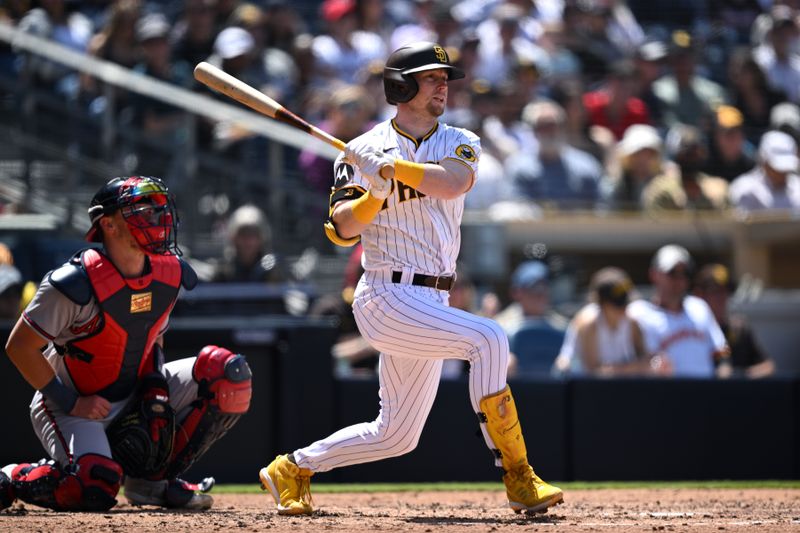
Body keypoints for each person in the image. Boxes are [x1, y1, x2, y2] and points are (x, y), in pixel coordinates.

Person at [259, 41, 563, 516]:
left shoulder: (461, 139)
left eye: (446, 78)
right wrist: (374, 193)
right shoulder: (362, 150)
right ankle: (519, 477)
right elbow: (343, 229)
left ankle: (293, 468)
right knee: (488, 337)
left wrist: (393, 169)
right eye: (432, 77)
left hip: (432, 300)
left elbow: (452, 182)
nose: (443, 85)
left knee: (396, 435)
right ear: (401, 85)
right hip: (384, 294)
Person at [1, 176, 252, 512]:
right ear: (108, 225)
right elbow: (19, 347)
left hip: (130, 390)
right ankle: (12, 476)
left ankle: (153, 484)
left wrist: (154, 384)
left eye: (157, 210)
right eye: (142, 212)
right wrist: (71, 401)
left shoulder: (169, 274)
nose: (157, 219)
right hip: (73, 403)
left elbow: (152, 336)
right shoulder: (73, 283)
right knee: (95, 487)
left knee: (229, 375)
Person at [627, 244, 731, 378]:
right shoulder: (639, 314)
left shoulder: (699, 307)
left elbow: (720, 350)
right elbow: (639, 361)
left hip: (706, 393)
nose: (680, 280)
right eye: (673, 273)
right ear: (654, 275)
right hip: (666, 394)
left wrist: (724, 375)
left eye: (685, 274)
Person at [552, 267, 652, 376]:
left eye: (625, 303)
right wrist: (631, 368)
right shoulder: (588, 323)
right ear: (602, 304)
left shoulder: (632, 321)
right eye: (617, 304)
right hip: (578, 382)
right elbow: (593, 372)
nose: (623, 309)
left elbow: (645, 362)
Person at [693, 263, 775, 378]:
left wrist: (741, 376)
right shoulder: (691, 331)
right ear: (700, 295)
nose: (721, 297)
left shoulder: (738, 329)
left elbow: (768, 366)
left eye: (725, 291)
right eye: (715, 292)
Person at [500, 260, 567, 378]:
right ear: (516, 292)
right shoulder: (499, 325)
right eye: (533, 288)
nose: (539, 294)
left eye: (543, 288)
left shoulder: (562, 326)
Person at [729, 130, 800, 211]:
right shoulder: (745, 190)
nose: (782, 172)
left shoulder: (798, 188)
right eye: (777, 168)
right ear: (764, 163)